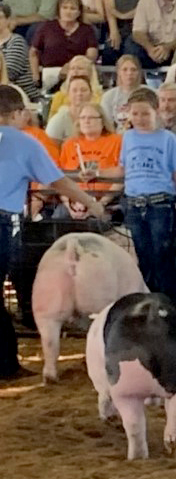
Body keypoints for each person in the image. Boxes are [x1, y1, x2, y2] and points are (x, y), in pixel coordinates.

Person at [0, 85, 105, 377]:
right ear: (17, 113)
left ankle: (6, 362)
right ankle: (6, 364)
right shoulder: (25, 143)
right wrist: (90, 203)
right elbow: (58, 181)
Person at [98, 86, 176, 305]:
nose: (139, 118)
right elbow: (123, 170)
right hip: (134, 203)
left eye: (145, 113)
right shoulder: (127, 138)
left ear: (156, 112)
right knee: (144, 258)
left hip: (160, 203)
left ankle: (169, 307)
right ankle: (150, 305)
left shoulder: (168, 139)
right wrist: (96, 172)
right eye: (135, 113)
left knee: (164, 258)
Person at [58, 103, 122, 206]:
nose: (86, 121)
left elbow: (121, 176)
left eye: (91, 117)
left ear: (102, 121)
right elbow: (60, 180)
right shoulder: (69, 144)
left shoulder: (117, 141)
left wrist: (101, 203)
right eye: (82, 118)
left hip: (108, 200)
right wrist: (70, 206)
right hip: (74, 201)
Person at [28, 0, 98, 83]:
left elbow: (91, 56)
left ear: (79, 13)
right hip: (49, 75)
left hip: (77, 74)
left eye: (72, 8)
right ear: (59, 10)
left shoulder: (87, 30)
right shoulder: (46, 27)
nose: (68, 11)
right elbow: (33, 53)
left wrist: (71, 66)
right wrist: (35, 75)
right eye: (64, 7)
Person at [0, 3, 35, 102]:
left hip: (20, 94)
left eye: (0, 17)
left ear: (8, 20)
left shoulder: (16, 41)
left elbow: (10, 72)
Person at [101, 54, 143, 132]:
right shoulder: (108, 97)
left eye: (133, 70)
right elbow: (107, 124)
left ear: (139, 72)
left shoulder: (150, 93)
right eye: (125, 69)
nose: (129, 73)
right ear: (118, 72)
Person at [45, 75, 94, 142]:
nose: (79, 93)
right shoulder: (58, 120)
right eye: (74, 90)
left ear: (91, 94)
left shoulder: (99, 117)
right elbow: (50, 148)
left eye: (83, 90)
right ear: (68, 95)